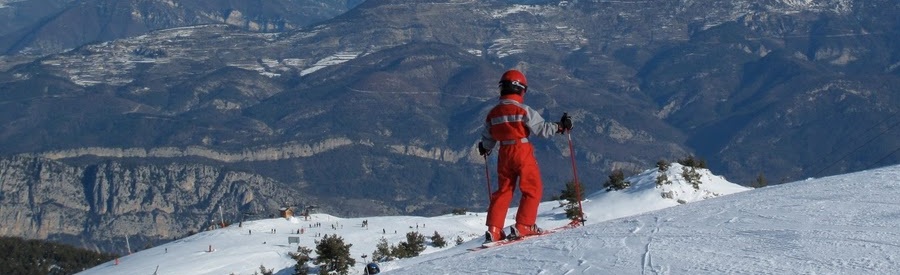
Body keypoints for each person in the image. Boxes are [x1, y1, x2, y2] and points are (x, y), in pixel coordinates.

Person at [478, 69, 573, 244]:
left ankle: (494, 229)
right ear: (521, 89)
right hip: (521, 150)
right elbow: (542, 129)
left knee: (504, 190)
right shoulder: (523, 110)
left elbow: (488, 138)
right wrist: (560, 126)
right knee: (532, 188)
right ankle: (525, 225)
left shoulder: (493, 113)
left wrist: (484, 147)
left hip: (503, 154)